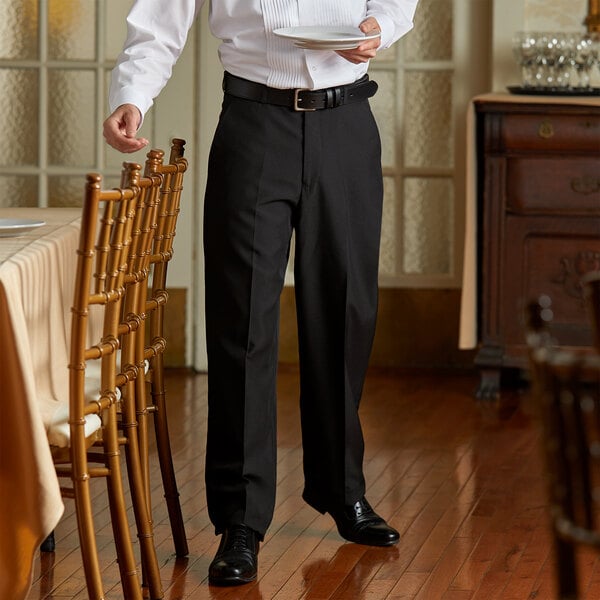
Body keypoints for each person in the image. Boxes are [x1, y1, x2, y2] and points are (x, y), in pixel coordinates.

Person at [104, 0, 419, 587]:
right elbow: (158, 21)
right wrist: (132, 96)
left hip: (346, 122)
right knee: (241, 321)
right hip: (253, 124)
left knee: (345, 310)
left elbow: (398, 4)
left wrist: (379, 29)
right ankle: (240, 521)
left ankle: (342, 490)